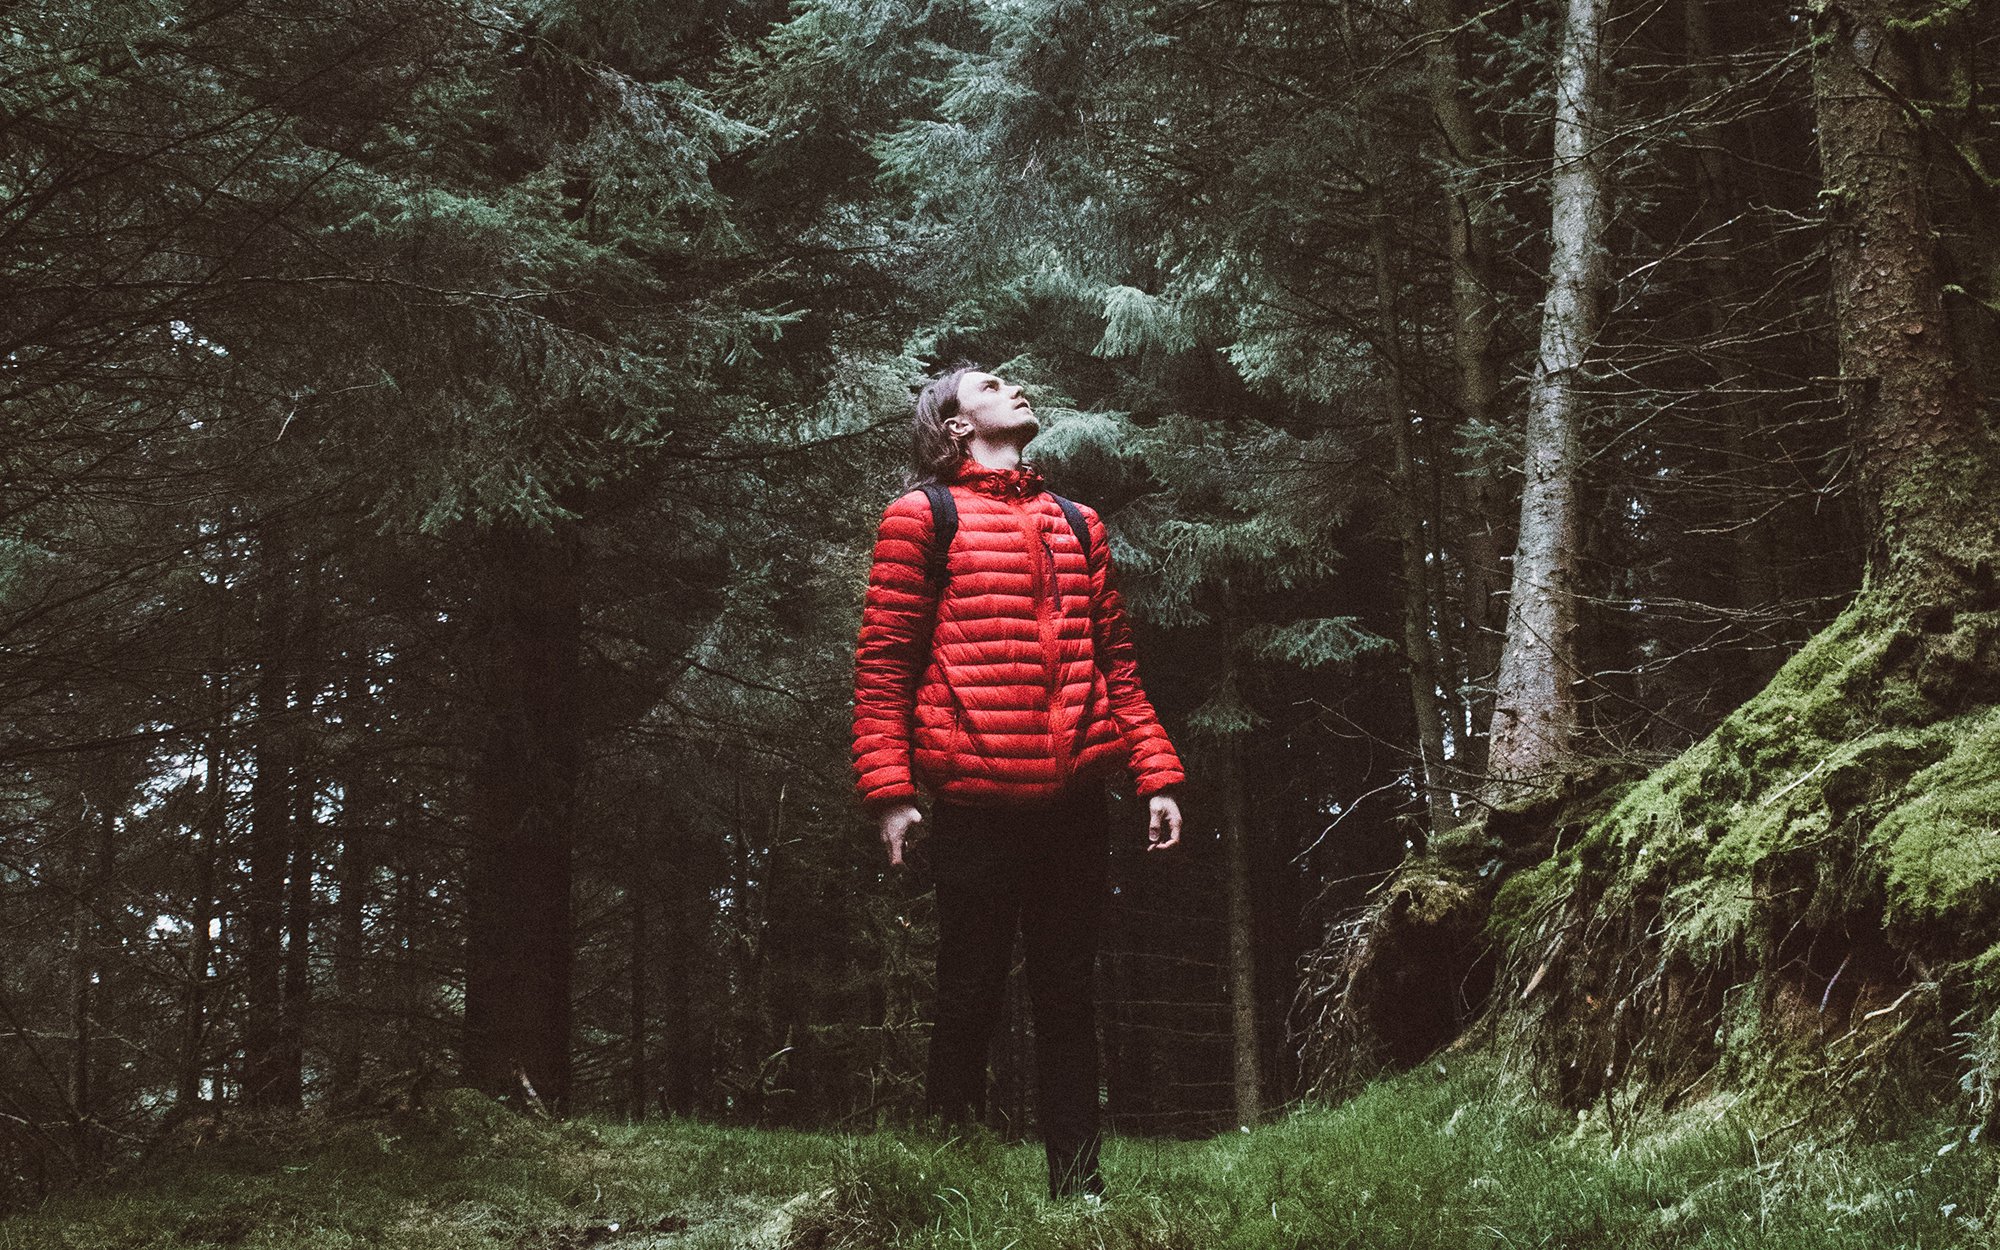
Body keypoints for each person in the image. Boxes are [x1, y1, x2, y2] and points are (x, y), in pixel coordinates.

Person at [851, 362, 1186, 1200]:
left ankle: (1080, 1192)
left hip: (1074, 804)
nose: (1016, 388)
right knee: (967, 993)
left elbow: (1118, 666)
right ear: (956, 425)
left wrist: (1157, 776)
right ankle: (937, 1180)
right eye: (992, 384)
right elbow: (884, 667)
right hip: (973, 802)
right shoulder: (919, 517)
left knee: (1069, 999)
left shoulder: (1077, 521)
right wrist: (891, 793)